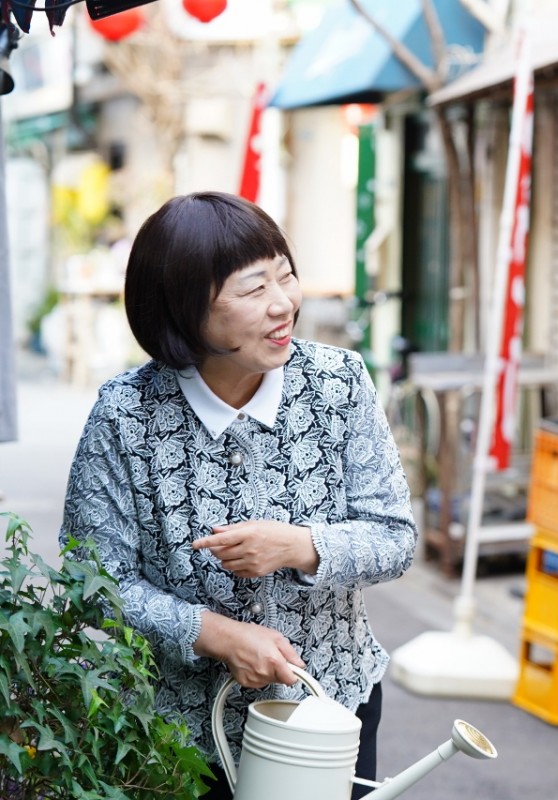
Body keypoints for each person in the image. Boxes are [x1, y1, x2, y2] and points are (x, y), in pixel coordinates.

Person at [59, 191, 418, 799]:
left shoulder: (340, 383)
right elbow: (94, 580)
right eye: (254, 290)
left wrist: (302, 546)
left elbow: (395, 538)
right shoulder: (126, 414)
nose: (284, 305)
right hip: (174, 728)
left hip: (328, 709)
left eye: (286, 277)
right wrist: (215, 634)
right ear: (181, 305)